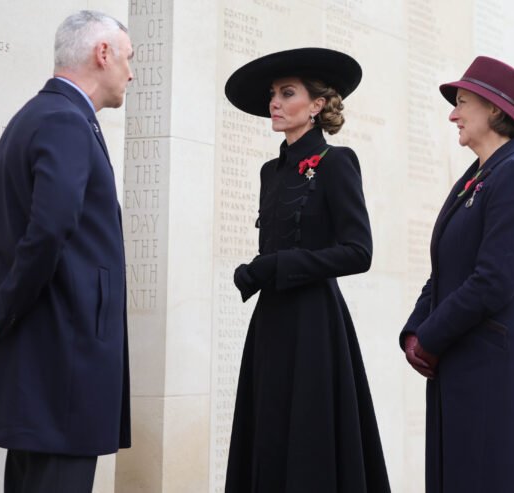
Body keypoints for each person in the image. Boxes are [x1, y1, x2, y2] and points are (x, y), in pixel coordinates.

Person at [0, 10, 133, 492]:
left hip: (42, 364)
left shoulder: (32, 117)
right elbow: (49, 227)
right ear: (103, 54)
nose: (131, 72)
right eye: (128, 57)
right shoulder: (66, 120)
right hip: (67, 364)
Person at [223, 48, 391, 492]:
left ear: (316, 105)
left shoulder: (337, 163)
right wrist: (260, 269)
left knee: (310, 440)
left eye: (287, 93)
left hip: (316, 326)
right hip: (271, 324)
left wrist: (280, 265)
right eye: (273, 94)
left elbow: (359, 251)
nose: (274, 102)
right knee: (269, 432)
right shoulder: (269, 172)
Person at [399, 56, 514, 492]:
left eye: (462, 102)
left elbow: (494, 279)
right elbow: (444, 271)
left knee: (499, 478)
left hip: (496, 360)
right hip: (462, 353)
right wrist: (414, 331)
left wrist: (430, 338)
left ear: (495, 110)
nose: (453, 113)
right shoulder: (477, 177)